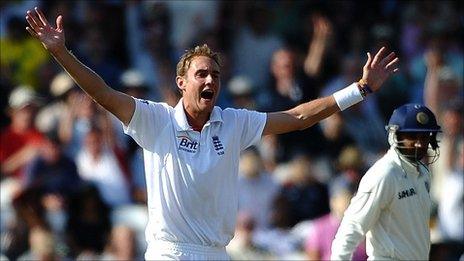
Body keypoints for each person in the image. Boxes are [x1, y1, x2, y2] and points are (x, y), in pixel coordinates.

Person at [25, 7, 399, 260]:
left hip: (217, 253)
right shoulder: (155, 121)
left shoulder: (234, 122)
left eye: (215, 75)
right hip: (170, 253)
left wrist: (360, 90)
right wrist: (60, 52)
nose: (210, 80)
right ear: (181, 82)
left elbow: (298, 116)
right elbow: (102, 92)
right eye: (201, 74)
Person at [331, 103, 441, 260]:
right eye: (412, 136)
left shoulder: (422, 173)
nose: (419, 143)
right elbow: (352, 225)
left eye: (424, 136)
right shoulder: (384, 174)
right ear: (395, 136)